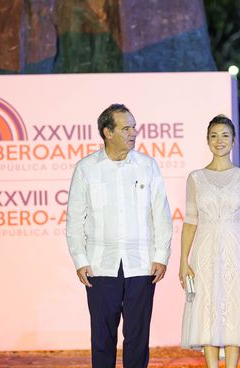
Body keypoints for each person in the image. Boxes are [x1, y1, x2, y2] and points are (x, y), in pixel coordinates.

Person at [66, 104, 172, 368]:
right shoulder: (86, 168)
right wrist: (80, 259)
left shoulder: (148, 166)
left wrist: (161, 256)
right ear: (107, 132)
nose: (134, 133)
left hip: (142, 264)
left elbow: (161, 214)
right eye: (126, 128)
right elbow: (75, 219)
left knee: (137, 337)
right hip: (100, 264)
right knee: (102, 337)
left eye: (134, 127)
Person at [179, 115, 240, 367]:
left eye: (225, 135)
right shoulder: (195, 178)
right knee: (206, 307)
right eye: (214, 135)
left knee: (234, 308)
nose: (219, 141)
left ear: (233, 140)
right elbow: (190, 221)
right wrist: (184, 261)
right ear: (207, 140)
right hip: (203, 251)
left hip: (235, 250)